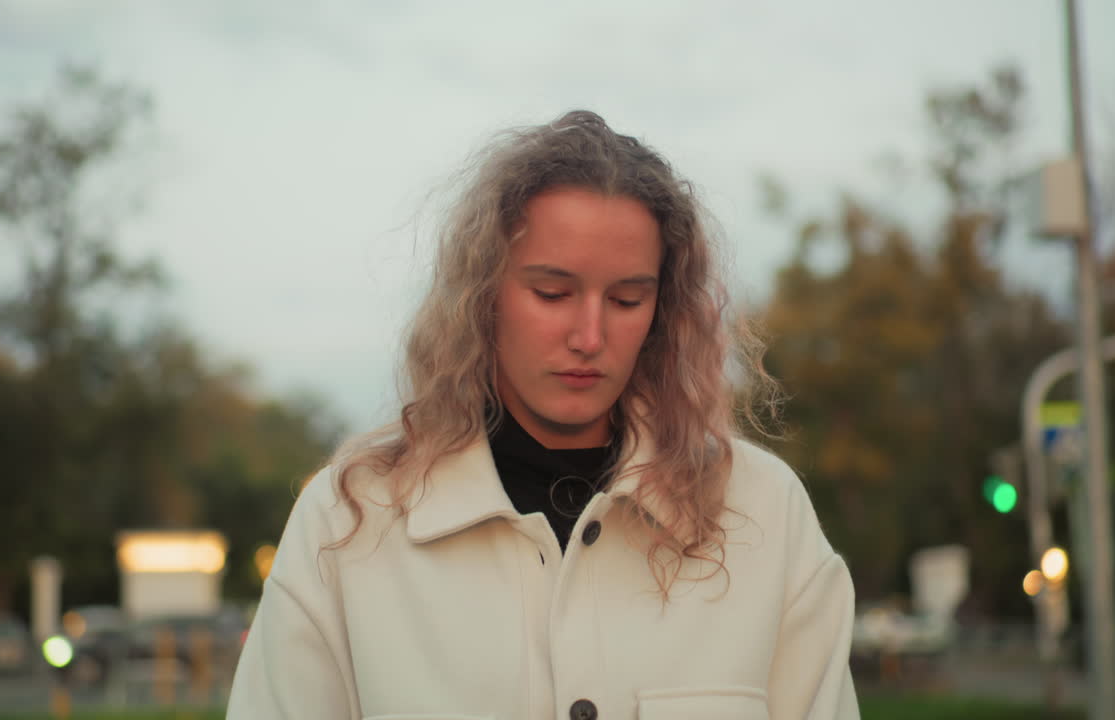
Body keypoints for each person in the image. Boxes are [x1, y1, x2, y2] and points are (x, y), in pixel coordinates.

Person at [228, 110, 859, 719]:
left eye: (626, 298)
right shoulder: (348, 523)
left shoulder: (765, 512)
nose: (590, 335)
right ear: (482, 294)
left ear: (662, 308)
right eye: (552, 293)